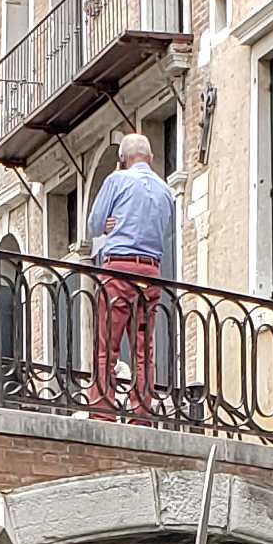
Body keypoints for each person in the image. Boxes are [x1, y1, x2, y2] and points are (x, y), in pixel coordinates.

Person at [80, 133, 175, 421]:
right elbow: (165, 231)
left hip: (119, 269)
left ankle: (102, 410)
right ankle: (141, 410)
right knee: (143, 347)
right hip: (151, 272)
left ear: (122, 160)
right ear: (151, 159)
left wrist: (112, 226)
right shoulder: (165, 190)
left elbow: (94, 225)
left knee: (107, 343)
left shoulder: (116, 181)